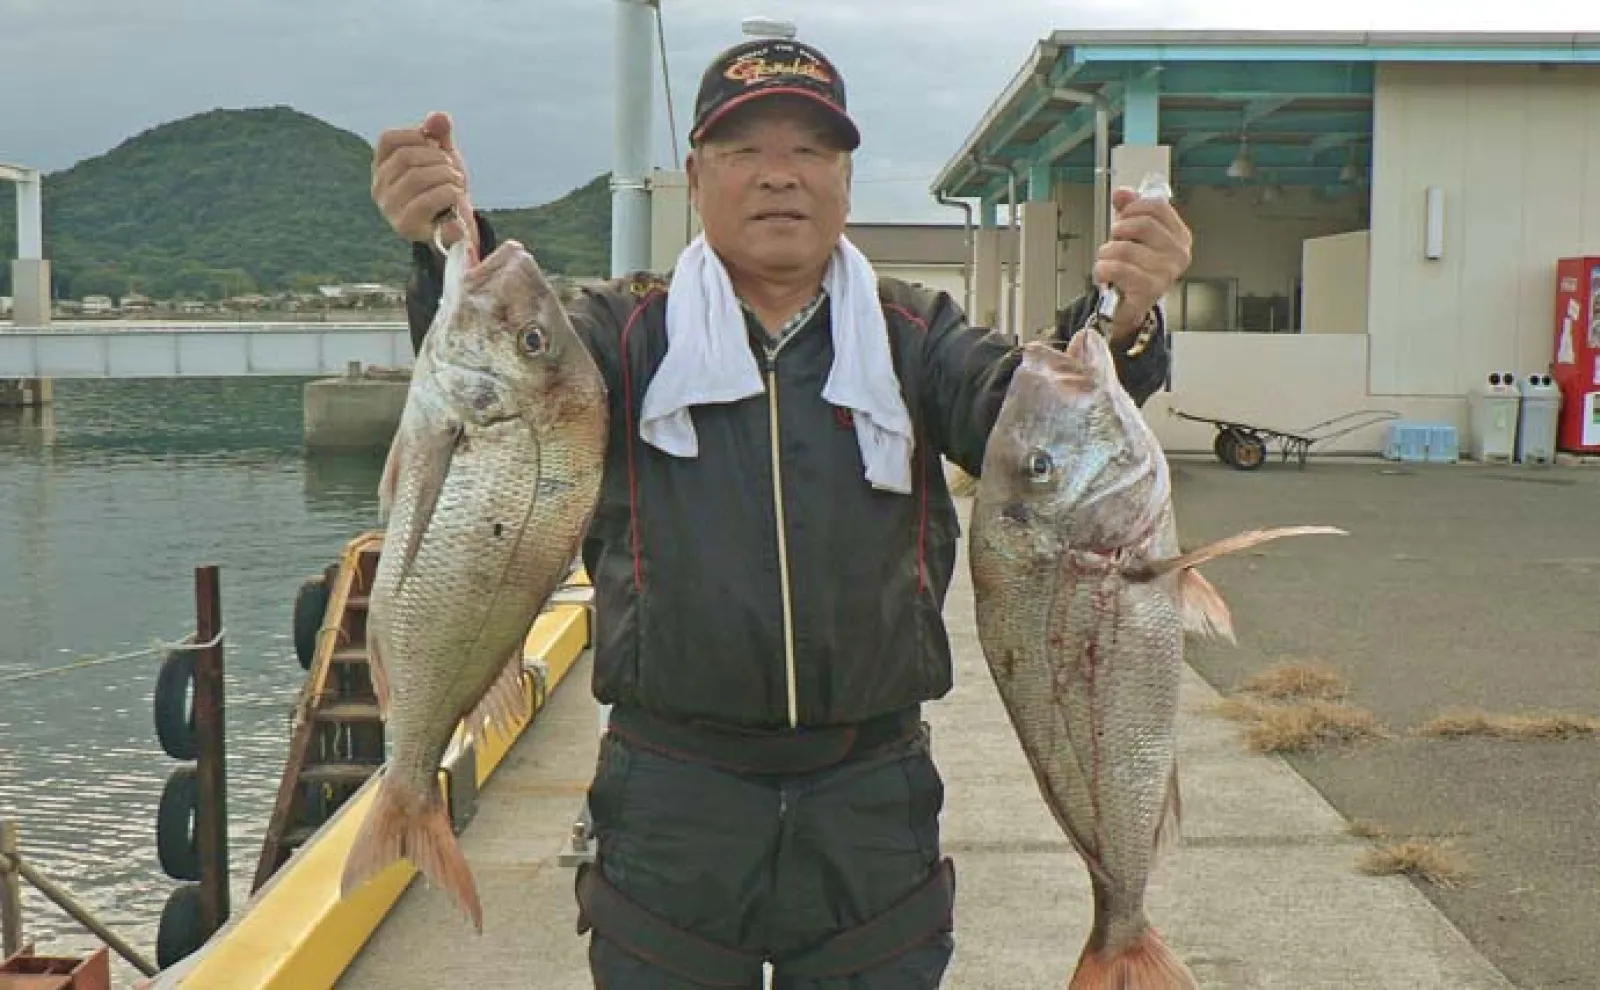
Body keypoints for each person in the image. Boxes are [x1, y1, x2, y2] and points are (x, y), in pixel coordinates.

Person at [370, 35, 1192, 990]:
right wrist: (442, 243)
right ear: (695, 175)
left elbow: (1043, 420)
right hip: (670, 800)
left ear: (846, 178)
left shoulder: (916, 336)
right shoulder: (625, 333)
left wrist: (1125, 319)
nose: (779, 178)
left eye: (809, 151)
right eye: (743, 151)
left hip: (873, 805)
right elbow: (515, 369)